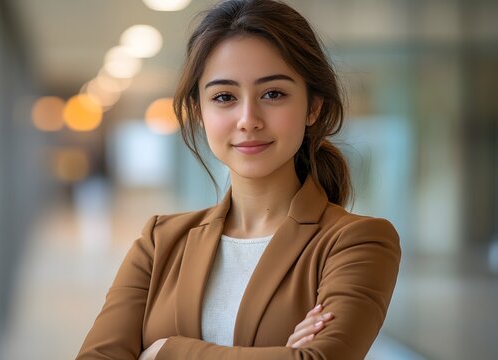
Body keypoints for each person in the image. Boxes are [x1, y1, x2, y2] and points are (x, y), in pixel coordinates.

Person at [76, 0, 401, 359]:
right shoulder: (160, 242)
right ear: (199, 112)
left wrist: (166, 351)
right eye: (224, 97)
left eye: (273, 94)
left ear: (313, 107)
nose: (248, 119)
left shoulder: (355, 243)